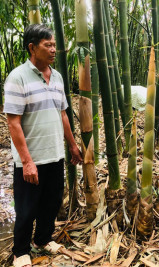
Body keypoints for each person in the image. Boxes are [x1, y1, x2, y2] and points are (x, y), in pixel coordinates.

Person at [3, 24, 83, 267]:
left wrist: (72, 146)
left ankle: (42, 240)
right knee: (27, 208)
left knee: (51, 202)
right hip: (32, 157)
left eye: (54, 45)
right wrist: (27, 161)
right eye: (47, 45)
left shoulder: (57, 76)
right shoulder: (18, 77)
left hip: (55, 153)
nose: (53, 50)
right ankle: (20, 252)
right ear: (32, 47)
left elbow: (63, 115)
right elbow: (13, 122)